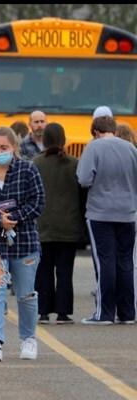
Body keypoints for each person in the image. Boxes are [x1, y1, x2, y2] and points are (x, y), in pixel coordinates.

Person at [0, 126, 45, 362]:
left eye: (3, 148)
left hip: (23, 238)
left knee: (25, 294)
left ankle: (29, 338)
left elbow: (38, 201)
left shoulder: (28, 170)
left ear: (14, 148)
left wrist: (14, 218)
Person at [77, 116, 137, 325]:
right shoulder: (130, 148)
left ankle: (104, 313)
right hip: (128, 212)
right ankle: (128, 312)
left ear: (95, 131)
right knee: (126, 262)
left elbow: (84, 179)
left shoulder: (93, 148)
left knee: (105, 262)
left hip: (100, 212)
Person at [33, 123, 83, 324]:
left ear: (44, 140)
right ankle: (63, 312)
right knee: (64, 271)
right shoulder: (74, 163)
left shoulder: (36, 163)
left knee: (43, 270)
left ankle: (43, 311)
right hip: (68, 226)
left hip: (43, 225)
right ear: (63, 139)